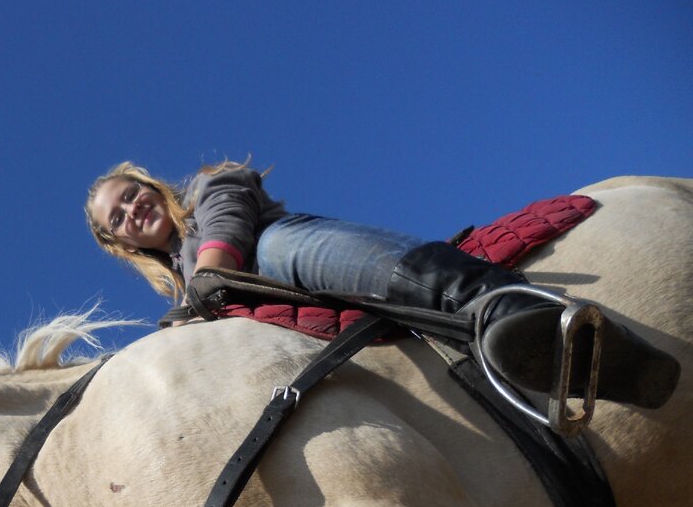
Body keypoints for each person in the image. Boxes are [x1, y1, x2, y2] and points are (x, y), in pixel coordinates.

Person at [85, 160, 678, 410]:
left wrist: (208, 280)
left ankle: (512, 310)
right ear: (121, 245)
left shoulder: (211, 190)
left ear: (151, 186)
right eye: (117, 218)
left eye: (131, 195)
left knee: (279, 247)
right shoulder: (184, 297)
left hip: (284, 258)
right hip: (288, 327)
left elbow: (228, 226)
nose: (131, 211)